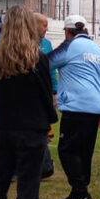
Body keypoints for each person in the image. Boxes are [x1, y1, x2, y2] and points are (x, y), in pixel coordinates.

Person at [0, 6, 58, 199]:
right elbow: (46, 95)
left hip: (1, 126)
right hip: (31, 128)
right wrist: (49, 123)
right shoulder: (38, 58)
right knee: (28, 184)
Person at [48, 14, 100, 199]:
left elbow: (46, 63)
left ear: (67, 32)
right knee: (84, 152)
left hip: (76, 106)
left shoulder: (69, 46)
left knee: (66, 149)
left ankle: (82, 194)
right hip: (96, 106)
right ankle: (76, 195)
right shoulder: (99, 51)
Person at [34, 12, 57, 180]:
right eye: (44, 25)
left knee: (42, 131)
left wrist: (54, 91)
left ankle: (44, 166)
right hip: (29, 94)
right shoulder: (23, 43)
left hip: (44, 93)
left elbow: (51, 71)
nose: (47, 28)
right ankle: (44, 166)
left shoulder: (47, 44)